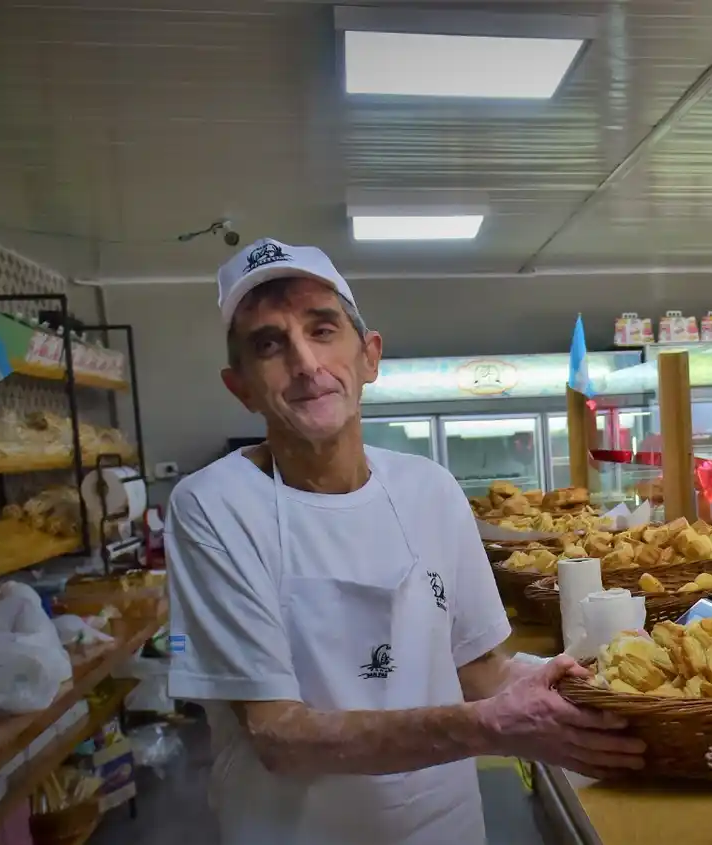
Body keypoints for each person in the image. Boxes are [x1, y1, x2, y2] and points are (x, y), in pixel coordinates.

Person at [165, 238, 644, 845]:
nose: (306, 363)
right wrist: (491, 728)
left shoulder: (431, 490)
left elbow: (479, 672)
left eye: (322, 330)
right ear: (242, 388)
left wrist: (597, 681)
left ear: (369, 357)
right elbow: (277, 736)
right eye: (269, 343)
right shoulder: (215, 506)